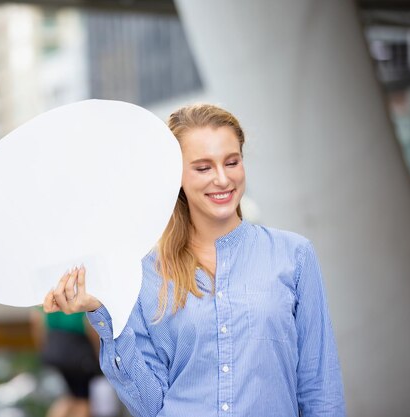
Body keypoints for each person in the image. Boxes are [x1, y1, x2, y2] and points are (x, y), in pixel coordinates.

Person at [43, 104, 346, 416]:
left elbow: (320, 389)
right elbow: (149, 406)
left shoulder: (294, 256)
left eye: (232, 162)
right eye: (203, 168)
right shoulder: (144, 276)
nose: (222, 179)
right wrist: (104, 314)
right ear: (175, 175)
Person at [30, 308, 101, 417]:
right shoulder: (80, 297)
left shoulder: (48, 296)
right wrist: (98, 353)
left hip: (54, 350)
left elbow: (36, 320)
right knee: (82, 400)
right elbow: (89, 327)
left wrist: (44, 349)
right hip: (79, 355)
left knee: (68, 398)